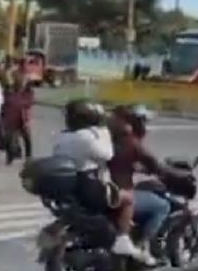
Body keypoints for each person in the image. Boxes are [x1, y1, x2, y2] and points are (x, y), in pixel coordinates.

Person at [51, 99, 146, 262]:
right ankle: (123, 239)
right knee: (129, 199)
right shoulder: (87, 137)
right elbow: (107, 154)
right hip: (91, 187)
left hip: (72, 188)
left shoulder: (63, 137)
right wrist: (104, 132)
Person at [109, 104, 181, 265]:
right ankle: (143, 247)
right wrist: (176, 174)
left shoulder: (107, 138)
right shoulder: (132, 143)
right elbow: (155, 165)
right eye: (144, 123)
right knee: (162, 206)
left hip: (105, 190)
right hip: (120, 193)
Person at [1, 70, 35, 165]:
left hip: (22, 117)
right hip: (10, 117)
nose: (21, 82)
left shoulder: (27, 92)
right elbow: (3, 102)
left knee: (27, 137)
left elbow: (29, 102)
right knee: (9, 138)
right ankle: (10, 156)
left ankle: (28, 156)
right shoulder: (8, 91)